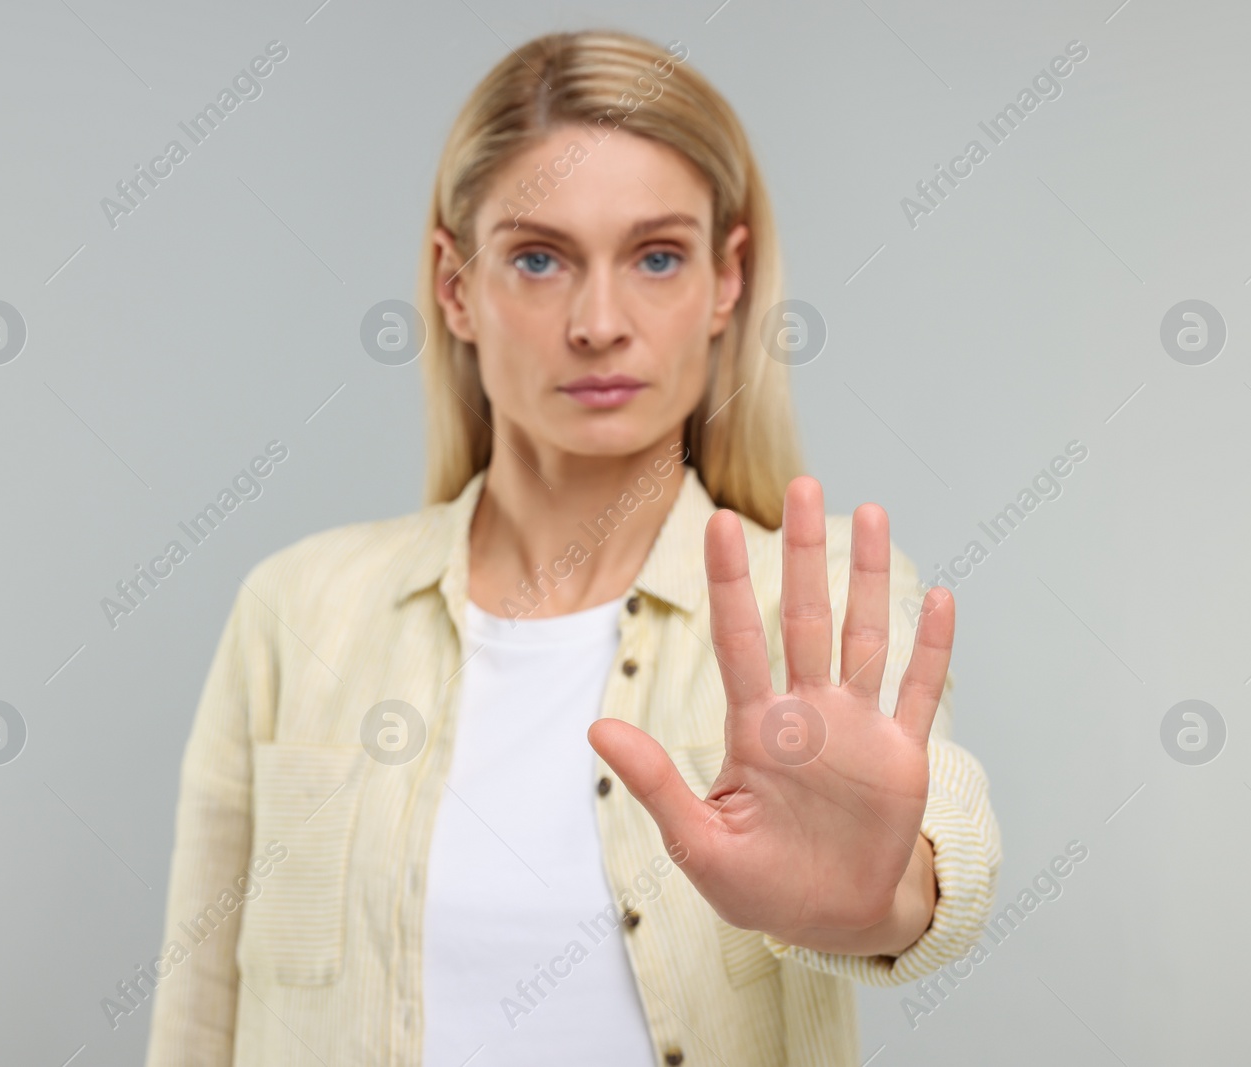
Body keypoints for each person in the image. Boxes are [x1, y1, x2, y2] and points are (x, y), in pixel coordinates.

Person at [145, 29, 1000, 1067]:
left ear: (727, 280)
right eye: (539, 257)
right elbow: (197, 1016)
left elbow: (936, 858)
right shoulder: (296, 608)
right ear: (455, 285)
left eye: (656, 256)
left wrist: (878, 896)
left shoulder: (810, 608)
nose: (599, 322)